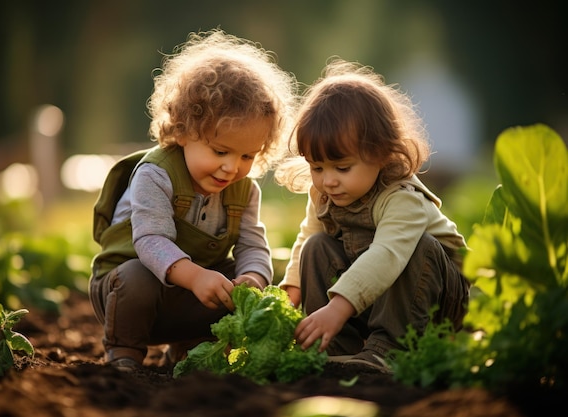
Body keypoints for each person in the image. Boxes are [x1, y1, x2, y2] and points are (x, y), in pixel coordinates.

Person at [89, 29, 297, 372]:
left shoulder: (244, 191)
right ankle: (124, 350)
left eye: (247, 155)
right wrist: (196, 276)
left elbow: (253, 246)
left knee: (236, 278)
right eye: (220, 151)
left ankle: (189, 348)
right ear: (183, 131)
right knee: (138, 276)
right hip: (124, 294)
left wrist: (252, 279)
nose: (232, 167)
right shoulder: (156, 175)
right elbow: (151, 240)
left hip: (185, 299)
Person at [274, 59, 470, 373]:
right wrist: (290, 293)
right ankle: (336, 345)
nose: (328, 180)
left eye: (342, 168)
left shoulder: (402, 198)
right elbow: (306, 238)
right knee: (316, 246)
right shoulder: (326, 193)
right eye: (317, 167)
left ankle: (390, 348)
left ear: (380, 154)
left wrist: (338, 307)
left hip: (438, 302)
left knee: (420, 247)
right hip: (376, 297)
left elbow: (386, 256)